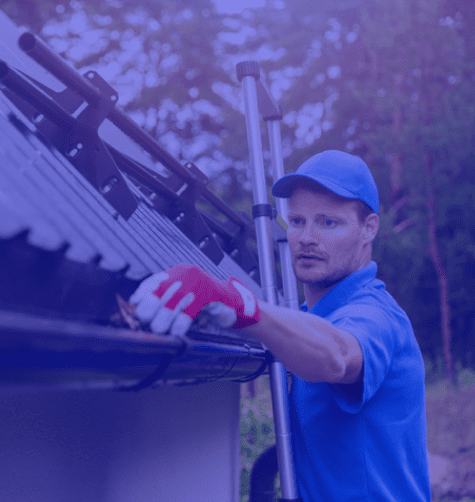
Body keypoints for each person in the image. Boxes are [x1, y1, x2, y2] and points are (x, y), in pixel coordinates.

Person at [130, 150, 431, 502]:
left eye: (328, 222)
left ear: (369, 228)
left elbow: (338, 355)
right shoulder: (309, 318)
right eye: (298, 221)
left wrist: (238, 304)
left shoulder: (376, 315)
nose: (306, 238)